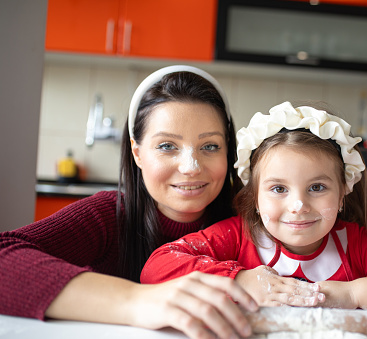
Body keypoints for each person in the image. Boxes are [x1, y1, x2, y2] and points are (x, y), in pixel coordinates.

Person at [0, 66, 320, 339]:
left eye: (209, 146)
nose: (191, 167)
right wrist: (139, 300)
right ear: (138, 153)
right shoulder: (109, 215)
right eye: (167, 146)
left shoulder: (265, 217)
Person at [141, 101, 367, 315]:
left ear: (343, 193)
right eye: (278, 189)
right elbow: (158, 267)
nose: (298, 206)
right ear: (255, 196)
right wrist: (238, 281)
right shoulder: (238, 236)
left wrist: (355, 293)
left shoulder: (356, 244)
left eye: (317, 187)